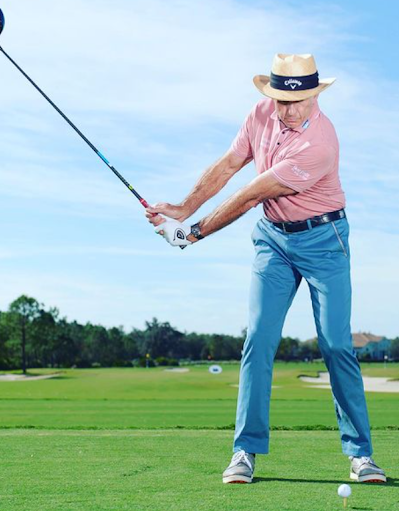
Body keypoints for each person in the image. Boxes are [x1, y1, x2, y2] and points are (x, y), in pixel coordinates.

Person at [145, 53, 386, 485]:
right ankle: (245, 450)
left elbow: (252, 194)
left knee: (336, 345)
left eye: (298, 102)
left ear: (315, 96)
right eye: (281, 101)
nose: (288, 111)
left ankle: (360, 454)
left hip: (324, 241)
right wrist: (182, 208)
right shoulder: (260, 114)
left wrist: (192, 233)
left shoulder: (319, 144)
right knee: (258, 339)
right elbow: (228, 165)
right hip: (273, 240)